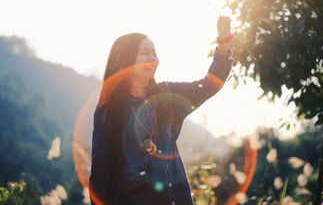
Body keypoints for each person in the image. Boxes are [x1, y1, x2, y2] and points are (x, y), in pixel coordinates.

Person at [89, 16, 234, 205]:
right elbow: (100, 174)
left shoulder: (167, 95)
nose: (153, 58)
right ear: (127, 59)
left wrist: (222, 46)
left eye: (154, 52)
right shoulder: (109, 110)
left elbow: (208, 85)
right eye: (145, 53)